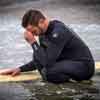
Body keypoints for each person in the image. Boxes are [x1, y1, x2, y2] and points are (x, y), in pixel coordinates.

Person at [0, 9, 95, 84]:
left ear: (41, 22)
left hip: (84, 66)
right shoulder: (43, 33)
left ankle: (73, 84)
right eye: (32, 33)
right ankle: (61, 78)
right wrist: (20, 69)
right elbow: (41, 58)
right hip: (68, 62)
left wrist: (33, 43)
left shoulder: (58, 32)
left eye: (34, 31)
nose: (34, 35)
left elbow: (47, 62)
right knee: (41, 61)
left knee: (50, 71)